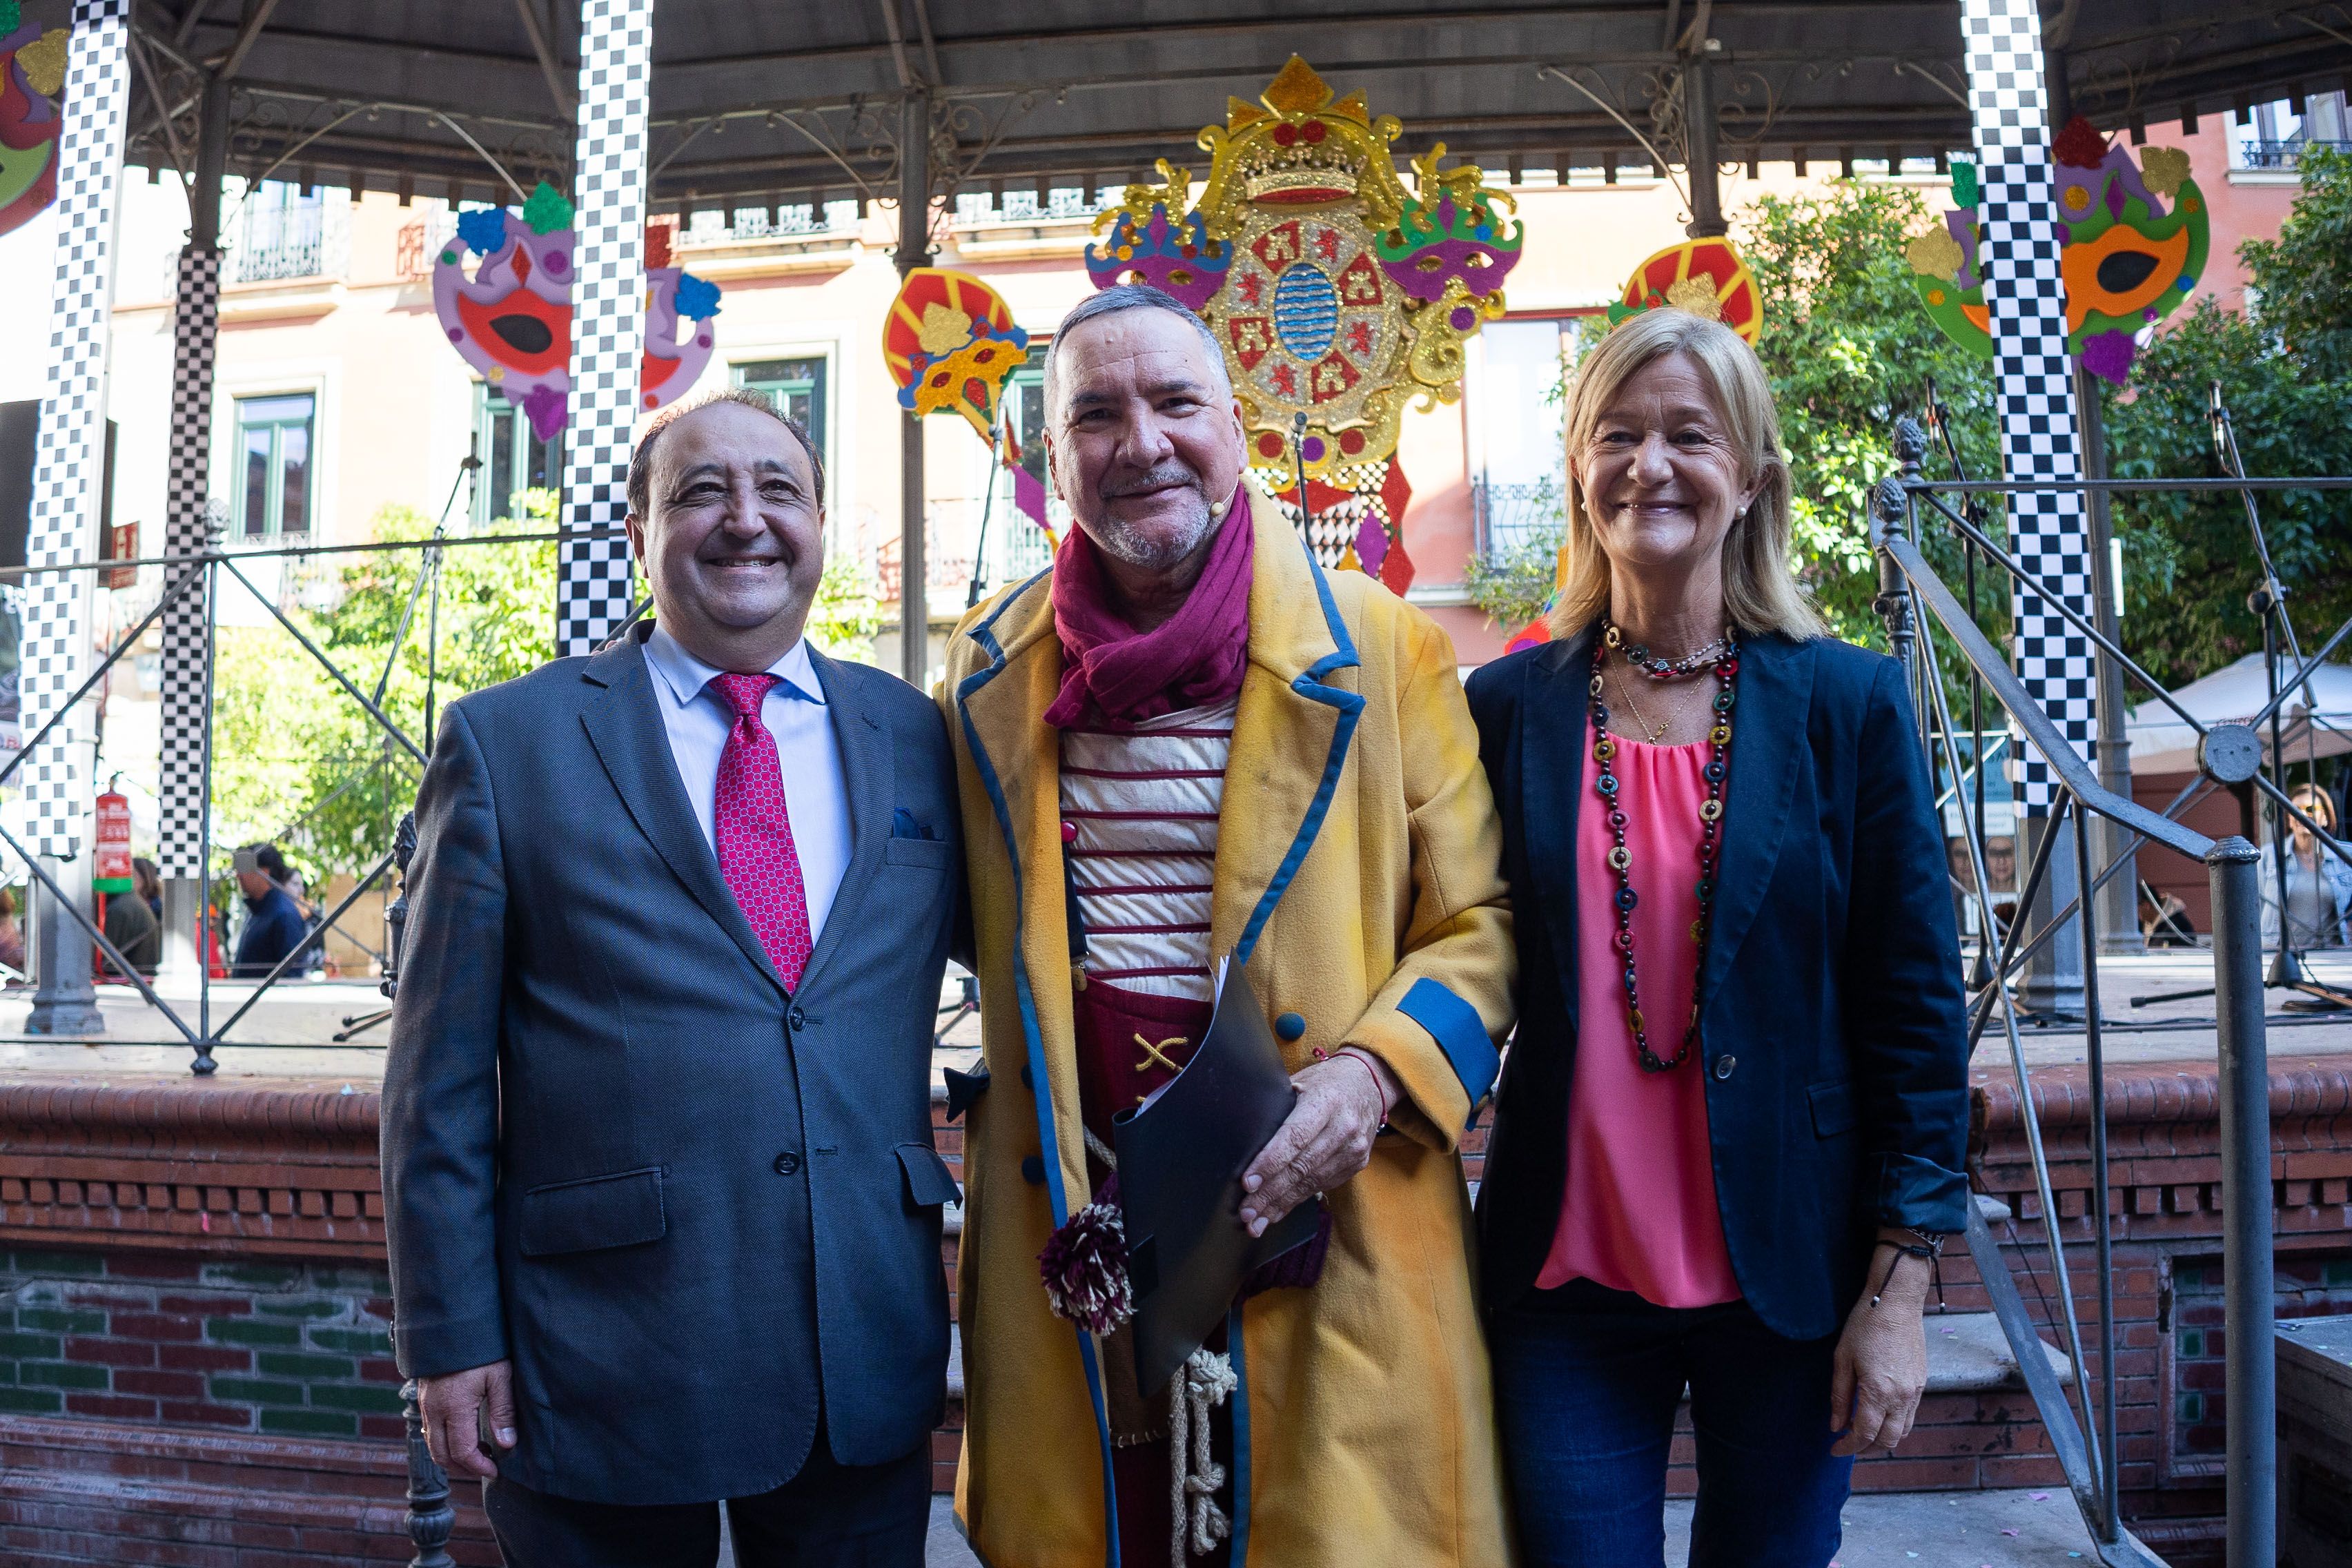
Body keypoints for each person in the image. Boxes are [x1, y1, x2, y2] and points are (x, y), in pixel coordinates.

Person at [940, 284, 1516, 1568]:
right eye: (1094, 414)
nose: (1138, 441)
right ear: (1051, 464)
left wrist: (1373, 1075)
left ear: (1234, 426)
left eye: (1173, 402)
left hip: (1332, 1204)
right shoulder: (984, 670)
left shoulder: (1382, 645)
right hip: (1079, 1207)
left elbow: (1478, 920)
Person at [381, 387, 962, 1568]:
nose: (744, 519)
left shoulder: (917, 734)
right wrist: (445, 1338)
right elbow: (435, 1080)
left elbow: (1032, 952)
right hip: (601, 1348)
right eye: (700, 491)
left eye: (777, 490)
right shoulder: (508, 742)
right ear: (639, 536)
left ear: (817, 525)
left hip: (857, 1339)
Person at [1463, 308, 1971, 1568]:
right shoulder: (1505, 708)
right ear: (1580, 472)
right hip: (1562, 1285)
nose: (1651, 465)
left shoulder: (1844, 704)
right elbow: (1448, 946)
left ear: (1747, 477)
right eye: (1618, 434)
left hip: (1790, 1280)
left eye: (1689, 435)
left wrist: (1897, 1290)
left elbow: (1914, 1013)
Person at [2262, 784, 2352, 950]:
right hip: (2280, 958)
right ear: (2289, 819)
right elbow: (2253, 905)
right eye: (2295, 809)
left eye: (2311, 808)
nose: (2302, 815)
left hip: (2330, 957)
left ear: (2325, 817)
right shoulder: (2268, 857)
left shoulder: (2345, 856)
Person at [230, 843, 307, 978]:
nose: (239, 875)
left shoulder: (284, 915)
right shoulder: (257, 911)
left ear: (264, 872)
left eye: (244, 868)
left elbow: (292, 978)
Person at [102, 870, 160, 978]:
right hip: (136, 980)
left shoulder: (120, 909)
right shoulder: (129, 903)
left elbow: (103, 958)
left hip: (125, 982)